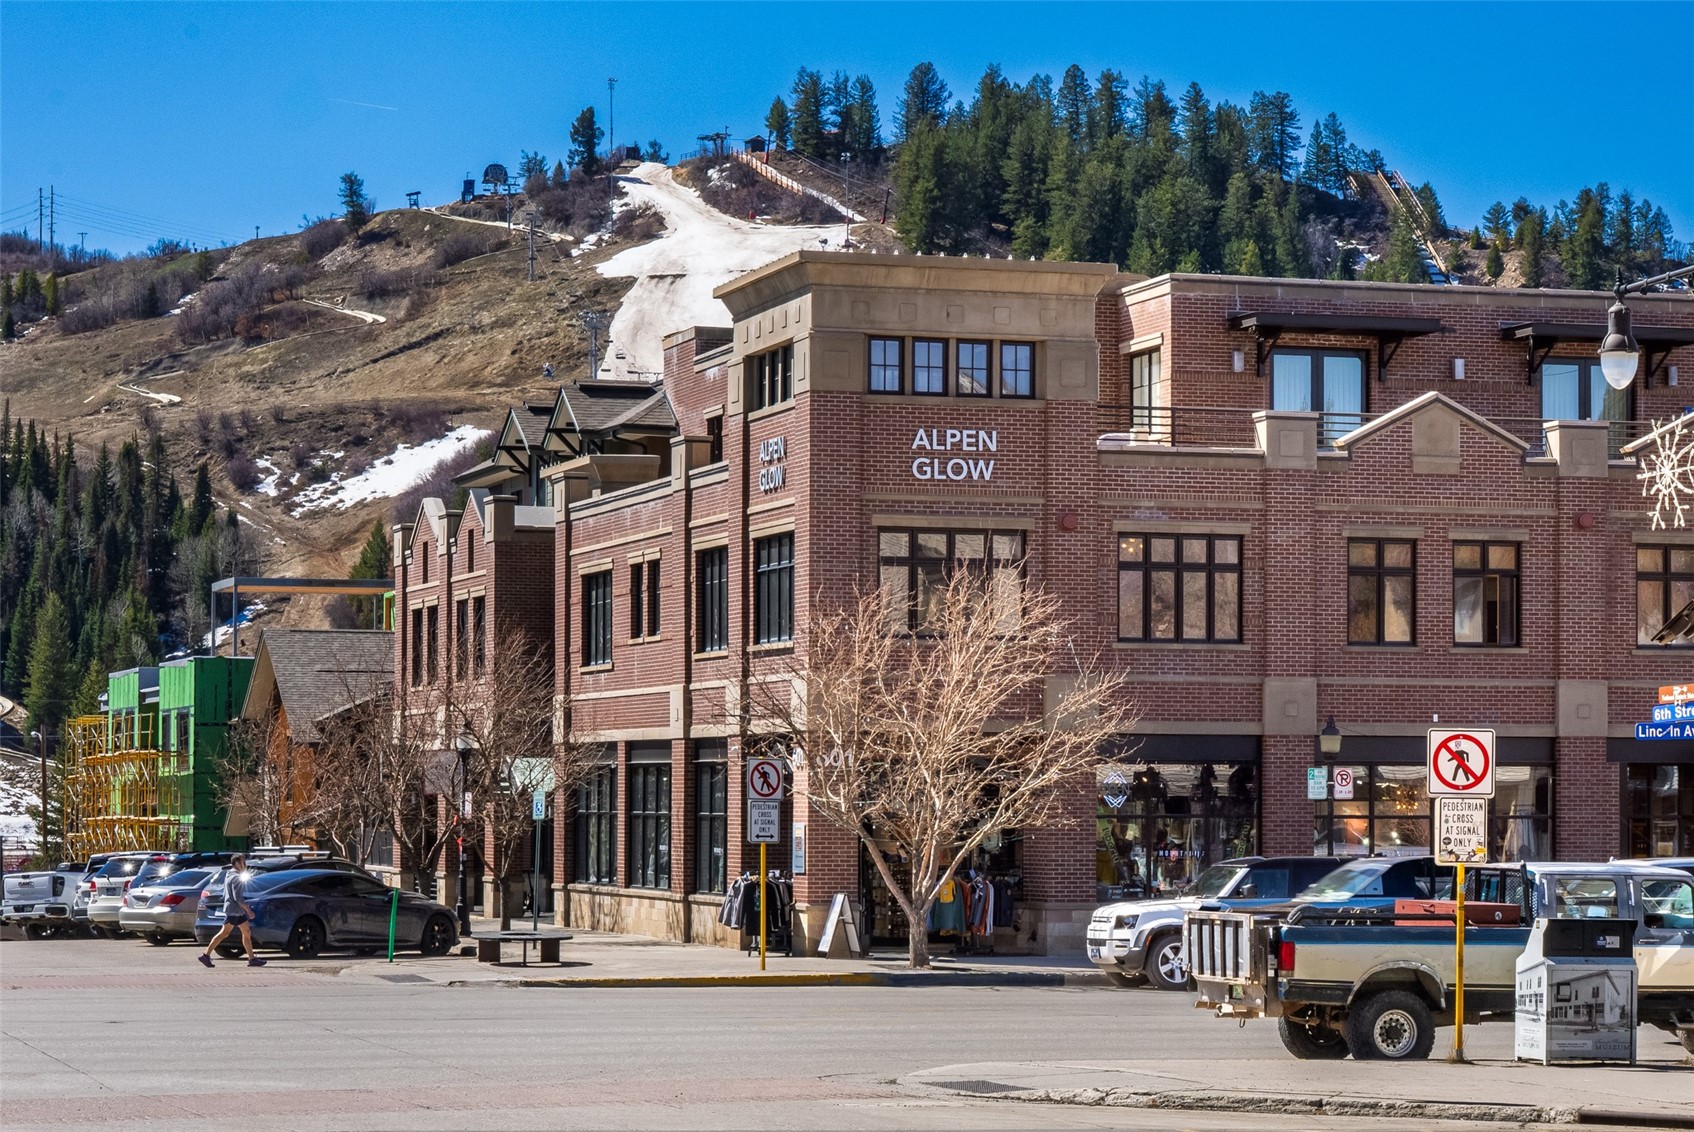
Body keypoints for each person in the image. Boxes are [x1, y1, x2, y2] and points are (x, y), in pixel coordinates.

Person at [199, 855, 266, 968]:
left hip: (236, 910)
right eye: (243, 862)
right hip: (234, 910)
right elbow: (237, 898)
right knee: (224, 933)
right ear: (236, 863)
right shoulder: (236, 878)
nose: (245, 865)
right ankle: (205, 955)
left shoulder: (229, 874)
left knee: (246, 932)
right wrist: (249, 911)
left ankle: (252, 959)